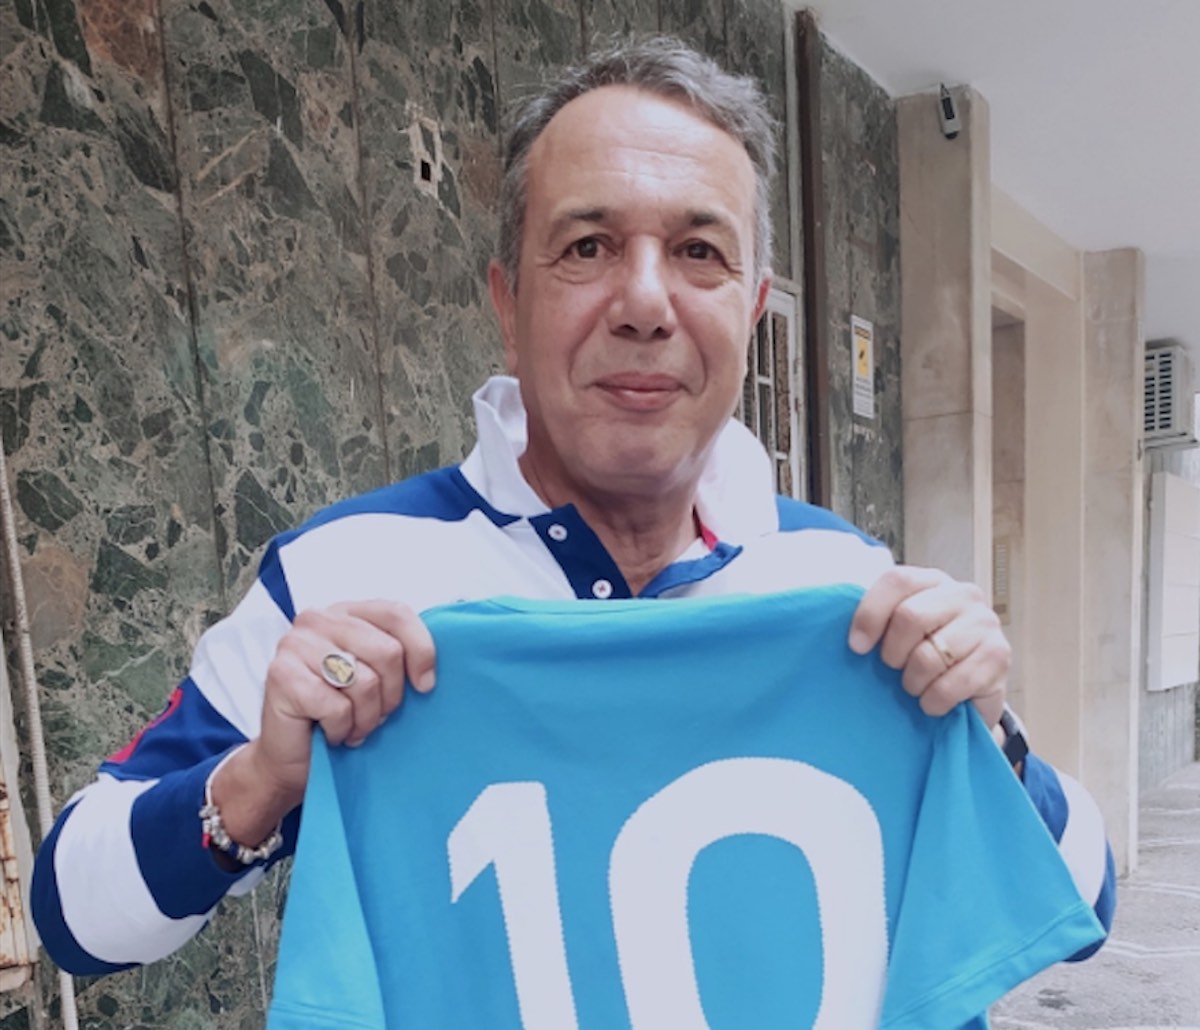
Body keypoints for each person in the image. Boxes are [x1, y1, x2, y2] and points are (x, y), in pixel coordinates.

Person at [31, 37, 1114, 977]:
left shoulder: (846, 584)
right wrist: (258, 782)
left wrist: (992, 736)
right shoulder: (343, 577)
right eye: (588, 247)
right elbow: (70, 916)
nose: (644, 303)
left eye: (698, 252)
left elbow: (1084, 909)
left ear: (751, 310)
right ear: (509, 302)